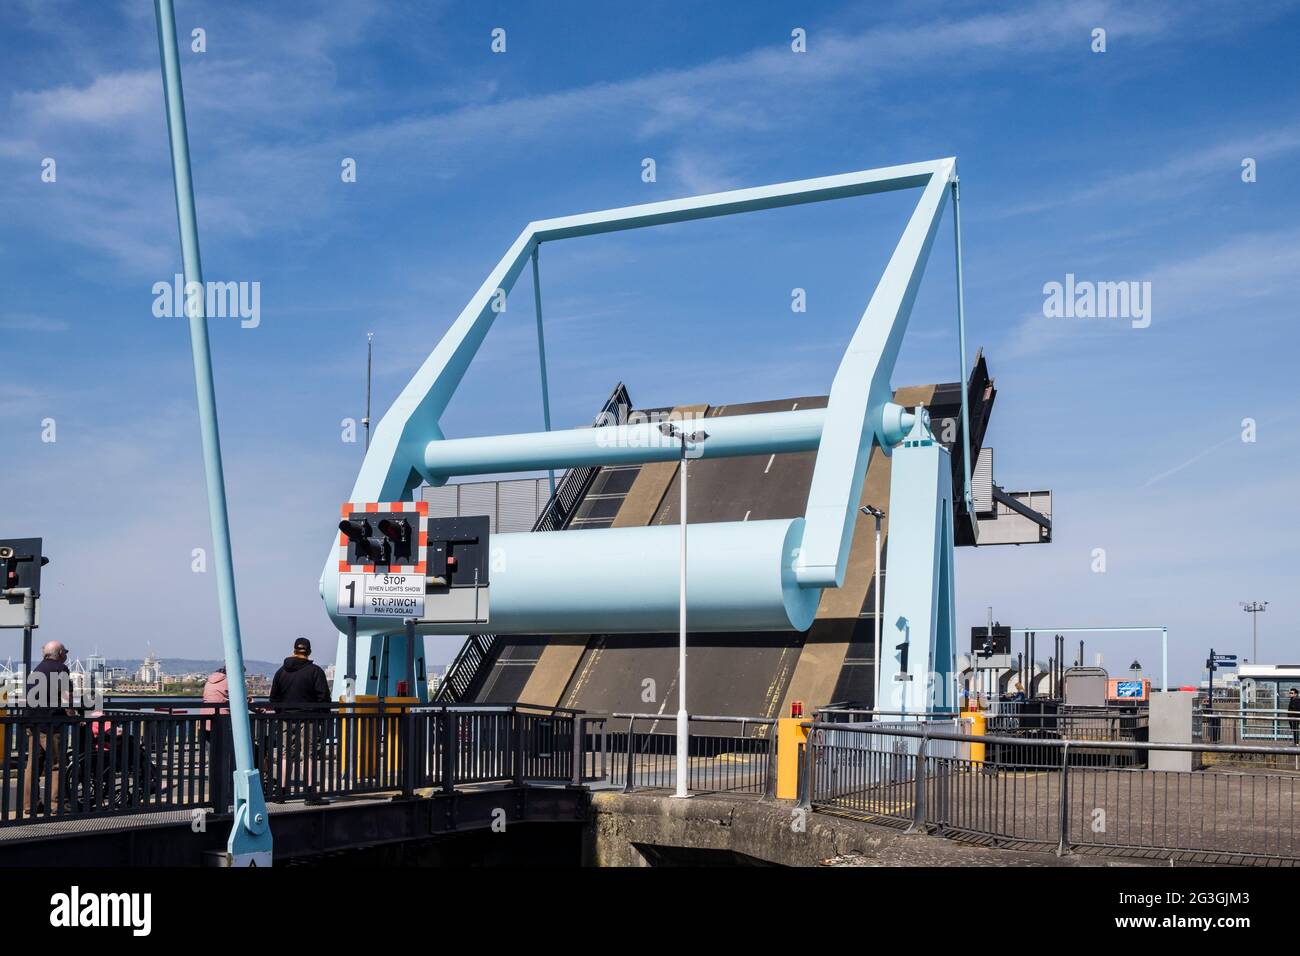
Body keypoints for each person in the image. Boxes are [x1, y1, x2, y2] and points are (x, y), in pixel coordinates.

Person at [269, 639, 331, 799]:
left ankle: (281, 791)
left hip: (285, 719)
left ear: (294, 650)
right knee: (308, 754)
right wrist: (323, 716)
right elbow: (323, 697)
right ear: (309, 652)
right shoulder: (315, 671)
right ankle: (310, 792)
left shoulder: (281, 672)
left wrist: (281, 712)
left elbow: (273, 698)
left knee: (285, 754)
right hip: (308, 718)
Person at [23, 640, 74, 815]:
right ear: (60, 653)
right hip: (52, 725)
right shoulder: (61, 669)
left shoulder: (37, 670)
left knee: (33, 766)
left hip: (32, 724)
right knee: (57, 765)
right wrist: (74, 717)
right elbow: (67, 699)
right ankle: (56, 804)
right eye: (65, 651)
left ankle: (30, 804)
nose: (66, 655)